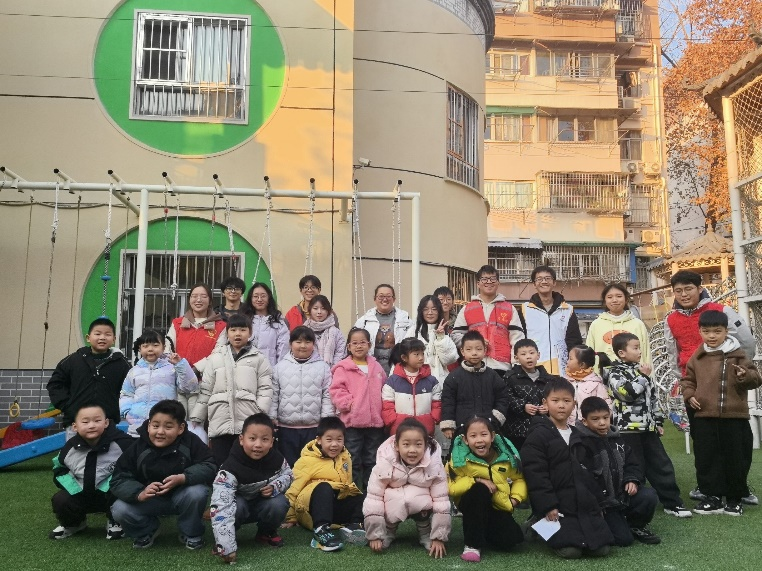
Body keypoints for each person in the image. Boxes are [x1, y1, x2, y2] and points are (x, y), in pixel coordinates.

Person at [664, 270, 757, 504]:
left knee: (737, 441)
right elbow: (672, 353)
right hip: (695, 388)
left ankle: (738, 488)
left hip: (727, 386)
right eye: (678, 291)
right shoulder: (670, 319)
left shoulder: (721, 310)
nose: (684, 294)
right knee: (704, 442)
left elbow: (746, 341)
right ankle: (709, 487)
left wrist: (739, 370)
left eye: (688, 289)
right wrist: (685, 383)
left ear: (699, 288)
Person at [521, 378, 614, 559]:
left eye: (566, 401)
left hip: (582, 501)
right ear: (545, 403)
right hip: (556, 503)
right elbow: (535, 474)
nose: (561, 406)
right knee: (571, 551)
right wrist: (548, 505)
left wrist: (597, 502)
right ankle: (537, 524)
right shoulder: (538, 434)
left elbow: (590, 472)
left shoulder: (578, 435)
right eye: (555, 400)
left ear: (574, 404)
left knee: (601, 549)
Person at [680, 310, 762, 516]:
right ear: (700, 331)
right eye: (706, 331)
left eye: (717, 331)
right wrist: (689, 395)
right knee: (706, 458)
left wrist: (744, 375)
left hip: (734, 417)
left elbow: (756, 379)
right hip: (704, 416)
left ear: (726, 331)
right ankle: (712, 497)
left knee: (736, 457)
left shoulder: (738, 355)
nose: (712, 336)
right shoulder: (698, 356)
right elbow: (688, 380)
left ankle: (734, 499)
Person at [110, 400, 217, 550]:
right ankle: (147, 530)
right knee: (119, 508)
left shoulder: (191, 441)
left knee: (197, 492)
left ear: (180, 428)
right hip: (150, 500)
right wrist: (139, 493)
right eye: (155, 426)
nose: (160, 432)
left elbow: (209, 465)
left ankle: (190, 533)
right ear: (148, 426)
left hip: (182, 496)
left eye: (168, 427)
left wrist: (183, 478)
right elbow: (118, 479)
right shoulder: (137, 447)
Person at [608, 332, 691, 518]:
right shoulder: (614, 372)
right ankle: (632, 504)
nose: (639, 351)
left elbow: (653, 400)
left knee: (661, 464)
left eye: (639, 347)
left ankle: (673, 502)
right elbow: (626, 394)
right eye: (635, 348)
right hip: (627, 430)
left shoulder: (643, 372)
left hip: (648, 429)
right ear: (622, 353)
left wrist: (658, 421)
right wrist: (643, 377)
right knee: (633, 467)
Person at [573, 396, 661, 546]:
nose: (602, 423)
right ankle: (608, 523)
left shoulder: (618, 439)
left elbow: (633, 463)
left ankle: (636, 525)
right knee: (623, 540)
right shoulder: (581, 443)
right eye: (595, 419)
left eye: (605, 417)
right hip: (604, 503)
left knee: (649, 496)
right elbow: (584, 479)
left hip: (622, 496)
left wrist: (631, 479)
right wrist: (599, 504)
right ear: (585, 421)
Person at [210, 413, 294, 564]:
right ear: (241, 439)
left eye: (265, 439)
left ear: (272, 442)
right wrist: (225, 547)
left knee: (278, 503)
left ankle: (265, 533)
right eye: (252, 438)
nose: (258, 445)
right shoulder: (229, 469)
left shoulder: (277, 459)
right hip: (238, 507)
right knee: (238, 506)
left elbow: (288, 474)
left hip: (262, 504)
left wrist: (275, 486)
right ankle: (227, 539)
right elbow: (221, 506)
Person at [191, 314, 273, 466]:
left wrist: (260, 412)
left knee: (245, 464)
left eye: (243, 330)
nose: (238, 334)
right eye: (233, 330)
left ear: (250, 333)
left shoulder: (259, 358)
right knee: (221, 463)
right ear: (227, 333)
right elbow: (206, 389)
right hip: (220, 420)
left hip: (248, 421)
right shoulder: (216, 358)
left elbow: (265, 388)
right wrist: (197, 416)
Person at [364, 418, 450, 557]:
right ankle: (388, 531)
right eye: (406, 444)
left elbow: (441, 500)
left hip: (422, 505)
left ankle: (425, 532)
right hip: (393, 503)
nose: (412, 450)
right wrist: (375, 534)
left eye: (418, 444)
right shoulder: (384, 462)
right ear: (396, 446)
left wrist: (438, 536)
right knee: (389, 496)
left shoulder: (434, 465)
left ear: (426, 445)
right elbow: (374, 498)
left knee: (417, 496)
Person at [49, 403, 134, 540]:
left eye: (97, 420)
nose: (92, 425)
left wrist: (113, 482)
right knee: (61, 499)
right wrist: (74, 488)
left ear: (106, 423)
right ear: (75, 426)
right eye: (85, 422)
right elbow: (59, 468)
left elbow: (135, 464)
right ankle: (74, 524)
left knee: (121, 489)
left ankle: (115, 522)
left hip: (109, 494)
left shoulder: (122, 443)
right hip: (81, 494)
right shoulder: (69, 448)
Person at [447, 416, 526, 562]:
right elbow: (450, 487)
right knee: (480, 490)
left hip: (497, 504)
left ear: (492, 436)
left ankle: (482, 529)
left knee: (512, 540)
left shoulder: (505, 455)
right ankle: (472, 545)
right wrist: (476, 480)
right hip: (471, 504)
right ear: (465, 440)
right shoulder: (458, 458)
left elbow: (519, 479)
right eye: (473, 436)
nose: (479, 440)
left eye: (484, 434)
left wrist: (515, 499)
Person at [285, 416, 367, 552]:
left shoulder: (345, 457)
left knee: (364, 495)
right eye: (329, 440)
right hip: (311, 511)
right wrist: (291, 517)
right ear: (319, 440)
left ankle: (353, 527)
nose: (334, 444)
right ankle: (321, 530)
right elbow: (294, 488)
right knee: (324, 487)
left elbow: (347, 484)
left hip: (333, 507)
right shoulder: (307, 460)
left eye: (339, 440)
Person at [47, 317, 131, 434]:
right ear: (88, 338)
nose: (102, 337)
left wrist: (120, 408)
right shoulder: (73, 360)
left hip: (108, 423)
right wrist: (68, 406)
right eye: (97, 334)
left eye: (107, 334)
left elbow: (131, 390)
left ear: (114, 339)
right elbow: (55, 384)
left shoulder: (122, 364)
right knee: (76, 447)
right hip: (76, 423)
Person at [329, 327, 386, 491]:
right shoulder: (343, 368)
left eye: (362, 342)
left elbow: (385, 388)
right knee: (352, 459)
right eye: (354, 343)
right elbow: (336, 390)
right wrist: (350, 404)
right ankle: (352, 492)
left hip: (375, 424)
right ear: (348, 346)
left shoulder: (376, 367)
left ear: (369, 345)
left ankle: (371, 492)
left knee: (372, 459)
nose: (359, 346)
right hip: (352, 423)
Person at [270, 326, 334, 468]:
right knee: (288, 465)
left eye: (307, 342)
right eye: (298, 342)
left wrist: (326, 419)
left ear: (314, 344)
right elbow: (274, 394)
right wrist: (272, 416)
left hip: (313, 427)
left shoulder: (323, 367)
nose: (303, 346)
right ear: (290, 344)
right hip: (286, 428)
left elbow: (327, 395)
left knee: (312, 465)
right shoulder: (280, 367)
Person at [165, 283, 226, 421]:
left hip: (204, 383)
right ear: (189, 299)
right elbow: (168, 349)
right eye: (194, 296)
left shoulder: (221, 326)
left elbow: (218, 353)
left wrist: (196, 370)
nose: (198, 300)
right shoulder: (177, 323)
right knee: (177, 421)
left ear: (210, 300)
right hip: (178, 382)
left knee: (196, 423)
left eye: (203, 296)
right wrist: (181, 371)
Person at [119, 329, 197, 436]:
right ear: (140, 349)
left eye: (155, 345)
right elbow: (126, 394)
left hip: (164, 425)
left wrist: (180, 365)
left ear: (163, 347)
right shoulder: (134, 371)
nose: (150, 349)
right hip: (137, 426)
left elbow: (190, 387)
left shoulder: (172, 368)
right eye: (145, 346)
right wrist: (127, 412)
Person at [451, 265, 524, 375]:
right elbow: (455, 336)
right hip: (472, 367)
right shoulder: (466, 309)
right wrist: (475, 342)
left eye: (493, 279)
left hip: (502, 367)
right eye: (484, 279)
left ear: (498, 283)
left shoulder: (510, 309)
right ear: (478, 283)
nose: (489, 282)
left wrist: (516, 365)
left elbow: (517, 339)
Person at [440, 330, 510, 440]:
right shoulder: (454, 376)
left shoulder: (493, 375)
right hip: (461, 428)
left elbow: (503, 397)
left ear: (485, 350)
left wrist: (495, 418)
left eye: (478, 349)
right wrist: (448, 425)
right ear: (462, 351)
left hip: (488, 428)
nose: (474, 353)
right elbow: (448, 402)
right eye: (469, 349)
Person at [518, 265, 583, 375]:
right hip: (534, 370)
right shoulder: (525, 310)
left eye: (547, 278)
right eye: (539, 279)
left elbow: (574, 341)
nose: (544, 282)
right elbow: (519, 341)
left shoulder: (567, 310)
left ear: (554, 282)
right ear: (534, 284)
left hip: (562, 370)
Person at [503, 338, 561, 450]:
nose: (528, 357)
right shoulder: (510, 377)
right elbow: (506, 397)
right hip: (518, 432)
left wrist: (548, 407)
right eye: (523, 354)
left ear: (538, 355)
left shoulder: (549, 379)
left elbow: (555, 398)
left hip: (543, 429)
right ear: (516, 358)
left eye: (531, 353)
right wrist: (523, 406)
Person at [382, 338, 442, 436]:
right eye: (416, 354)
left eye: (422, 353)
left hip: (425, 430)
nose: (421, 358)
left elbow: (437, 402)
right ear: (404, 358)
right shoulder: (392, 381)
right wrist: (392, 420)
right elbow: (387, 404)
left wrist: (434, 418)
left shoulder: (431, 381)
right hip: (400, 430)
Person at [354, 284, 414, 376]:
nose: (385, 299)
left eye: (388, 296)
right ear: (375, 299)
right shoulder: (364, 321)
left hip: (398, 369)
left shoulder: (406, 319)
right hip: (370, 370)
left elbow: (413, 344)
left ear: (394, 299)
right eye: (381, 296)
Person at [586, 283, 651, 364]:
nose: (614, 300)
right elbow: (589, 353)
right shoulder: (596, 325)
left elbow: (646, 352)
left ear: (626, 299)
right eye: (610, 297)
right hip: (602, 371)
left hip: (633, 371)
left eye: (619, 296)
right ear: (605, 301)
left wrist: (647, 371)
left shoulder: (637, 324)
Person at [406, 295, 459, 381]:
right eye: (426, 309)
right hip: (417, 380)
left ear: (439, 311)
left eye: (434, 309)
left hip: (439, 381)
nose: (430, 313)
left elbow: (449, 359)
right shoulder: (413, 331)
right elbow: (405, 357)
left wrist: (441, 337)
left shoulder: (444, 331)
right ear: (421, 311)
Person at [242, 282, 290, 366]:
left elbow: (283, 348)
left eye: (263, 296)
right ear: (250, 298)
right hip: (246, 368)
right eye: (255, 296)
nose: (259, 299)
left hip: (270, 369)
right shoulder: (243, 319)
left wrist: (279, 369)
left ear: (269, 298)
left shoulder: (278, 321)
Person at [563, 345, 611, 427]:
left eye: (570, 359)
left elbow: (607, 405)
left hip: (589, 428)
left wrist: (598, 421)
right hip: (568, 426)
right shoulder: (564, 382)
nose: (567, 362)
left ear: (582, 365)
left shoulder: (596, 383)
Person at [303, 295, 346, 366]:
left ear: (328, 311)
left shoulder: (336, 332)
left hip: (331, 370)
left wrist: (332, 368)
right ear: (310, 310)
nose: (319, 312)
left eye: (323, 308)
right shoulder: (303, 331)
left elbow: (340, 352)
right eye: (315, 308)